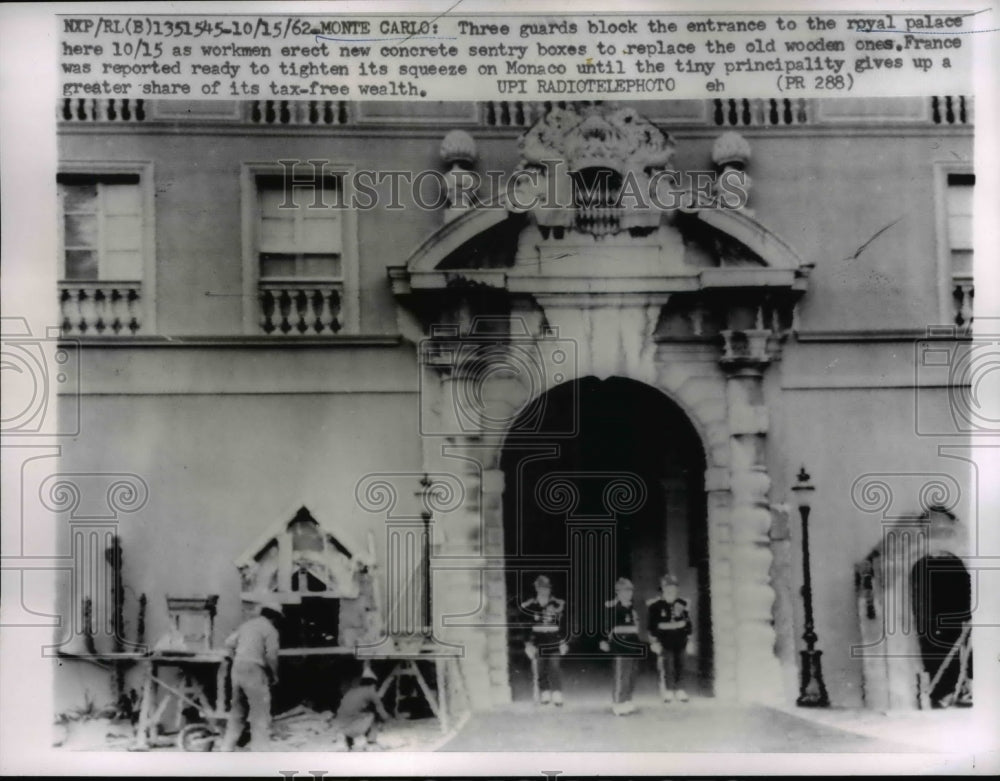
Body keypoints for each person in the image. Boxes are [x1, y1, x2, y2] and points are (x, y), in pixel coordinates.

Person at [220, 596, 282, 751]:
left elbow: (228, 644)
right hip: (255, 670)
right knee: (260, 713)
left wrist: (238, 659)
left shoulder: (246, 626)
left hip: (237, 668)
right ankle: (260, 752)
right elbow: (271, 656)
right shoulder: (270, 630)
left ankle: (226, 748)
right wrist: (274, 675)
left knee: (237, 711)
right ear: (274, 617)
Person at [521, 574, 569, 706]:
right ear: (536, 589)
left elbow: (563, 625)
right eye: (541, 588)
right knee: (541, 668)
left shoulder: (557, 604)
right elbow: (526, 627)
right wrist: (527, 644)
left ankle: (557, 693)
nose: (544, 591)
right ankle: (545, 692)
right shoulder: (530, 606)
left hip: (554, 641)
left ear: (550, 589)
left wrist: (564, 642)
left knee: (554, 666)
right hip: (538, 643)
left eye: (546, 588)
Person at [647, 573, 694, 703]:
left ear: (676, 589)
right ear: (663, 589)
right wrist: (654, 642)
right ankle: (668, 690)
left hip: (681, 641)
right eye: (667, 588)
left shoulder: (682, 603)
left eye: (673, 588)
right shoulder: (655, 606)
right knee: (668, 666)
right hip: (665, 642)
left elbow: (688, 623)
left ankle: (680, 689)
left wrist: (690, 640)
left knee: (681, 664)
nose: (670, 591)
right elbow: (651, 626)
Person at [600, 577, 642, 715]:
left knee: (632, 674)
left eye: (630, 590)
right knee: (621, 675)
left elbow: (636, 627)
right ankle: (618, 702)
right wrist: (604, 640)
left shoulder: (632, 607)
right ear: (618, 591)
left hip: (633, 645)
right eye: (625, 590)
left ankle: (627, 699)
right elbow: (606, 627)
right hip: (620, 646)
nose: (628, 593)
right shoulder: (612, 607)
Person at [334, 669, 391, 750]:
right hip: (352, 726)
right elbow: (379, 707)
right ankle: (371, 741)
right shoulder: (370, 691)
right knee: (374, 715)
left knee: (365, 715)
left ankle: (351, 741)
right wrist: (387, 718)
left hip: (341, 724)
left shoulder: (351, 691)